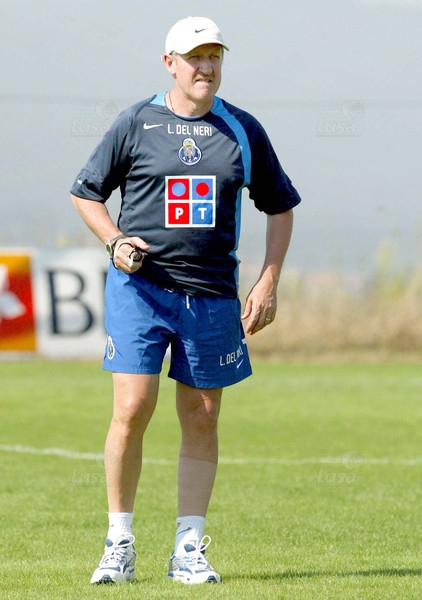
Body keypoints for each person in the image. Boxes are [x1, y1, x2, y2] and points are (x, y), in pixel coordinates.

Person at [70, 15, 301, 585]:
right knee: (132, 408)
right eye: (195, 57)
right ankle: (119, 545)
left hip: (212, 295)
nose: (206, 66)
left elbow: (280, 206)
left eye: (214, 56)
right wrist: (115, 240)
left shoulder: (242, 129)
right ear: (169, 63)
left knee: (202, 416)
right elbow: (86, 193)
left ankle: (188, 549)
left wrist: (268, 281)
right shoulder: (135, 122)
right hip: (141, 290)